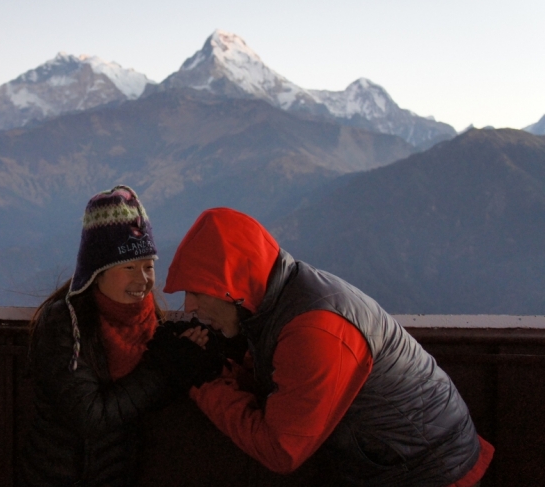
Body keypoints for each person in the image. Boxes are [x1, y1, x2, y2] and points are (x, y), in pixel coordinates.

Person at [164, 207, 495, 487]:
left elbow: (281, 451)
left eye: (196, 291)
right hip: (401, 461)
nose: (189, 306)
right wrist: (226, 367)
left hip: (427, 473)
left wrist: (205, 381)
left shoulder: (314, 329)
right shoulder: (279, 300)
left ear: (232, 288)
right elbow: (286, 385)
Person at [19, 185, 222, 487]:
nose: (143, 281)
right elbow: (90, 417)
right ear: (96, 271)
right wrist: (165, 366)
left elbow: (145, 398)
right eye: (129, 267)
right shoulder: (65, 323)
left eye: (149, 267)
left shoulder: (149, 320)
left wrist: (187, 359)